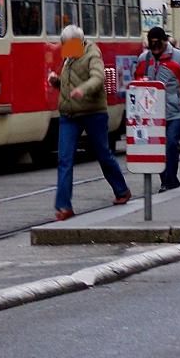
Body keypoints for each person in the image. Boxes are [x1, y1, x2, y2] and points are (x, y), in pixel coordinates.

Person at [48, 24, 131, 220]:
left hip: (93, 113)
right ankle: (63, 207)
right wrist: (57, 82)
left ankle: (122, 190)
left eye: (69, 45)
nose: (65, 49)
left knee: (103, 153)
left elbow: (98, 78)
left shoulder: (93, 53)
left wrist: (83, 90)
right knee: (65, 160)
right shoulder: (68, 57)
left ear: (79, 42)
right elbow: (70, 85)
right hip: (69, 114)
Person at [134, 26, 180, 191]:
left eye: (158, 44)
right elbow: (137, 84)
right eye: (152, 45)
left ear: (165, 41)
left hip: (177, 109)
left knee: (171, 143)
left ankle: (169, 180)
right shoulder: (144, 60)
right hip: (154, 112)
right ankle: (168, 179)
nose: (156, 49)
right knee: (159, 147)